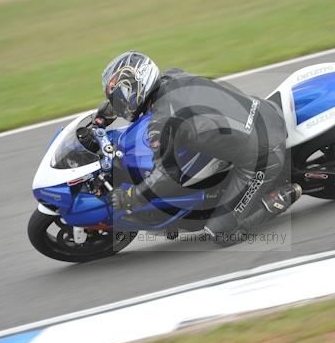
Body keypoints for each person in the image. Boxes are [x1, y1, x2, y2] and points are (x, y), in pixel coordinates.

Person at [95, 51, 301, 245]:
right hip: (261, 111)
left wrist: (131, 197)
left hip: (263, 155)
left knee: (220, 232)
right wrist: (102, 117)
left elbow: (167, 176)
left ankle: (281, 197)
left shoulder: (162, 124)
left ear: (138, 87)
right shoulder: (172, 77)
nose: (119, 102)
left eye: (121, 95)